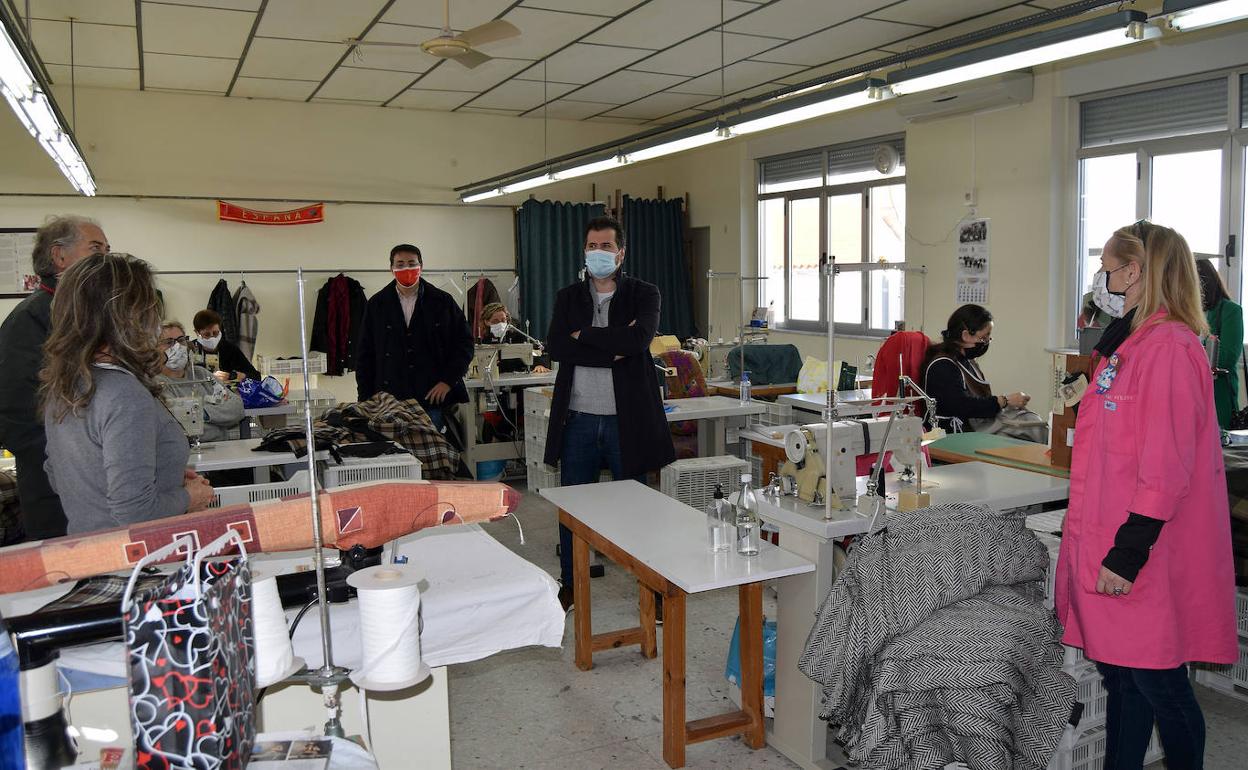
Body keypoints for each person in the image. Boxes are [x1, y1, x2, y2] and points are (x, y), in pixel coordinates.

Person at [1056, 221, 1237, 769]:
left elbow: (1166, 467)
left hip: (1144, 553)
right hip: (1112, 538)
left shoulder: (1171, 348)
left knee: (1159, 684)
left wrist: (1127, 553)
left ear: (1135, 272)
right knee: (1123, 678)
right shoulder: (1129, 344)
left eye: (1108, 269)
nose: (1102, 280)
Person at [543, 216, 676, 611]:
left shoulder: (644, 293)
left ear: (621, 252)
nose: (597, 253)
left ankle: (648, 592)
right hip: (578, 419)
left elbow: (639, 339)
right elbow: (557, 347)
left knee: (635, 511)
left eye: (605, 246)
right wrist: (612, 348)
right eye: (591, 246)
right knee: (573, 511)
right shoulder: (568, 297)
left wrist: (583, 335)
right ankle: (570, 585)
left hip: (627, 421)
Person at [40, 253, 215, 535]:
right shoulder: (123, 394)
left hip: (88, 550)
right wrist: (189, 497)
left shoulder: (67, 384)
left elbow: (60, 476)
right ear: (131, 318)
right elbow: (135, 512)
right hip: (136, 561)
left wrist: (160, 475)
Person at [0, 215, 109, 540]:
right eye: (95, 249)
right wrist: (74, 459)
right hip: (57, 491)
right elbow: (13, 413)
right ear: (59, 256)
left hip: (100, 481)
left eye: (107, 249)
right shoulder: (29, 321)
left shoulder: (84, 314)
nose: (105, 259)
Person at [355, 244, 473, 431]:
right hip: (388, 398)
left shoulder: (442, 301)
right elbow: (364, 355)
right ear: (391, 268)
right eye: (400, 264)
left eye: (411, 263)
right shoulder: (376, 304)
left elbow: (464, 344)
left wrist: (448, 381)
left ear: (421, 266)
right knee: (393, 456)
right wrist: (365, 399)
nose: (406, 269)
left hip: (431, 397)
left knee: (431, 454)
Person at [922, 304, 1032, 435]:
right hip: (948, 435)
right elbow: (962, 406)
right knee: (1026, 431)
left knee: (1029, 422)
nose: (986, 342)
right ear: (966, 335)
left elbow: (978, 400)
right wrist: (1004, 401)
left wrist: (1007, 403)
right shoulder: (943, 366)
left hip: (971, 427)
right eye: (984, 337)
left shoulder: (968, 361)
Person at [156, 321, 245, 442]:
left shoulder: (201, 374)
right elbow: (179, 428)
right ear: (155, 348)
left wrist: (204, 414)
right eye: (169, 342)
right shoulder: (156, 383)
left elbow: (237, 407)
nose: (177, 346)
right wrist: (220, 423)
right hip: (189, 455)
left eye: (181, 340)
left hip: (222, 450)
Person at [1196, 259, 1243, 430]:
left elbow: (1226, 358)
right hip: (1189, 398)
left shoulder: (1230, 311)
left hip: (1218, 397)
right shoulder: (1181, 314)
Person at [190, 309, 260, 382]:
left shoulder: (230, 349)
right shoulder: (190, 349)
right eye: (207, 334)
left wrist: (238, 376)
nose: (212, 338)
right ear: (197, 333)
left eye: (215, 333)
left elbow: (256, 376)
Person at [480, 301, 550, 374]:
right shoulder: (484, 343)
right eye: (495, 321)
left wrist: (539, 364)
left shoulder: (517, 337)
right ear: (486, 322)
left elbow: (536, 352)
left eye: (503, 320)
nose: (500, 324)